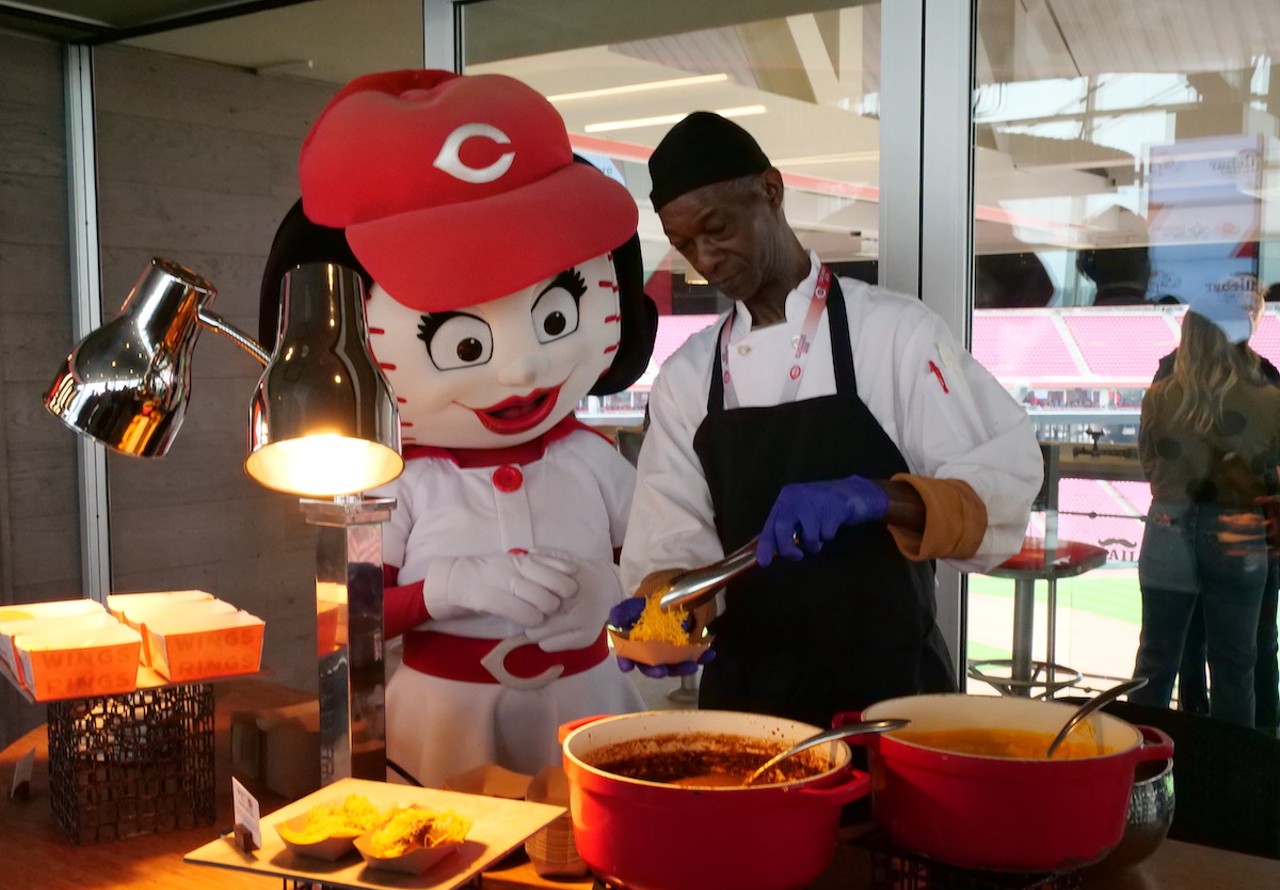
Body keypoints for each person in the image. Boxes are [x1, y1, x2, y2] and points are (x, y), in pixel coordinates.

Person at [281, 69, 658, 786]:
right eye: (466, 344)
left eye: (554, 320)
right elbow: (345, 620)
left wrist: (613, 596)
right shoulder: (395, 482)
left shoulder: (595, 460)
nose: (521, 371)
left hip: (590, 711)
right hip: (444, 727)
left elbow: (659, 574)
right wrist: (446, 590)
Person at [613, 112, 1043, 728]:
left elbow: (1001, 490)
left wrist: (877, 498)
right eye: (685, 246)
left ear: (771, 189)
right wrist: (669, 609)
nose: (706, 258)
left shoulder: (893, 333)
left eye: (718, 228)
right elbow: (671, 543)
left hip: (892, 704)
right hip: (748, 711)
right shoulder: (687, 378)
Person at [1130, 285, 1280, 728]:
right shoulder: (1270, 401)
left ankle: (1141, 775)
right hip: (1240, 531)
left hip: (1167, 523)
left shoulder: (1159, 396)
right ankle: (1232, 785)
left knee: (1155, 663)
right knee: (1236, 666)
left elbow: (1150, 465)